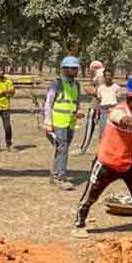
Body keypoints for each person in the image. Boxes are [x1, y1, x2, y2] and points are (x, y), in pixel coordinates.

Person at [73, 76, 132, 240]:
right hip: (107, 163)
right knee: (91, 195)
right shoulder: (118, 110)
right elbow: (125, 120)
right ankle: (79, 224)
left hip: (127, 164)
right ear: (128, 98)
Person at [45, 56, 83, 190]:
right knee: (63, 149)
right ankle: (60, 178)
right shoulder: (57, 83)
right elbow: (49, 104)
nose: (76, 71)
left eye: (76, 68)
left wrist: (77, 113)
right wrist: (48, 123)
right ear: (65, 69)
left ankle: (55, 175)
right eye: (73, 68)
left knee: (61, 149)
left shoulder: (76, 84)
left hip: (71, 122)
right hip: (59, 122)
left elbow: (75, 102)